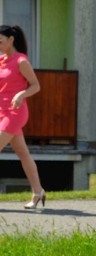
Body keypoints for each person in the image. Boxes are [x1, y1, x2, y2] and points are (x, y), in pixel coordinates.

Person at [0, 25, 46, 209]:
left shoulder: (21, 61)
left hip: (15, 112)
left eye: (1, 41)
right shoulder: (2, 60)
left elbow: (36, 85)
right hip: (1, 111)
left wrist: (21, 94)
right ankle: (38, 192)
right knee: (23, 154)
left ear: (11, 40)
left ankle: (37, 192)